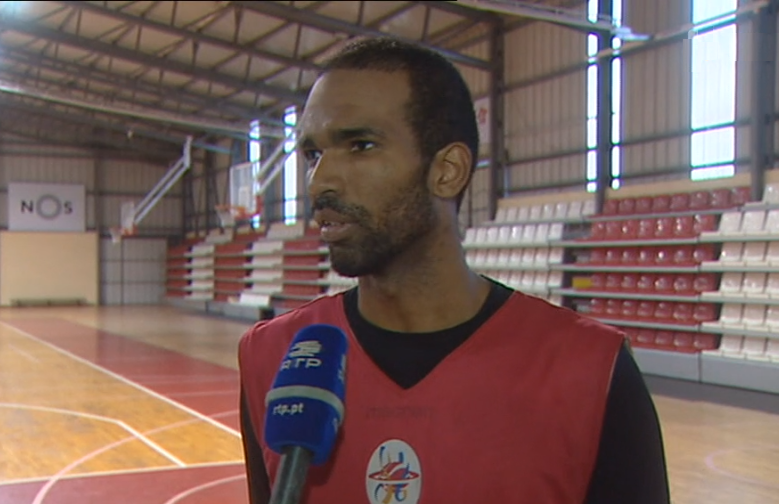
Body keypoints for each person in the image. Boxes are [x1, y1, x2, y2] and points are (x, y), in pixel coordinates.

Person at [237, 37, 670, 504]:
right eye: (313, 155)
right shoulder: (271, 357)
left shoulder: (592, 371)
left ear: (447, 170)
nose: (320, 182)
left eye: (360, 145)